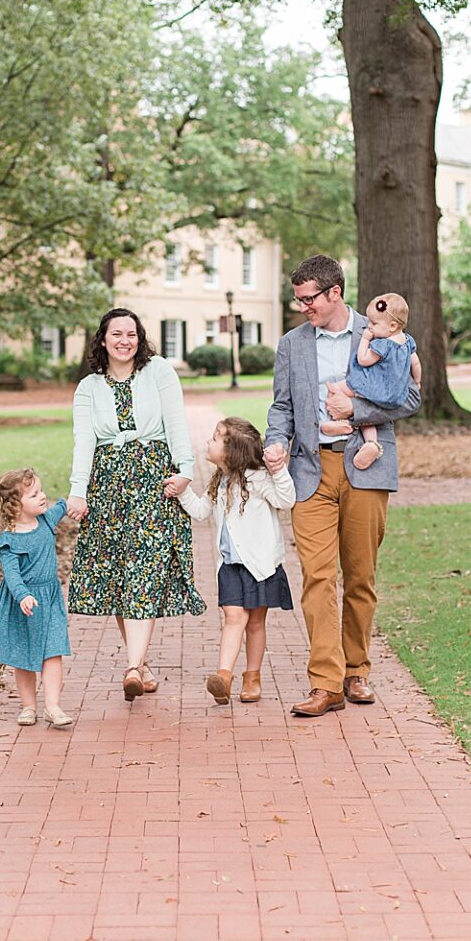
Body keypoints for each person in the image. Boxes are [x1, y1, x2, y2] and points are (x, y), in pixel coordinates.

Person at [264, 255, 420, 717]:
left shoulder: (382, 333)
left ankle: (357, 672)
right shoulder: (292, 344)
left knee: (360, 577)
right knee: (316, 577)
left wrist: (357, 413)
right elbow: (281, 406)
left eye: (309, 298)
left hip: (366, 470)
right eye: (298, 299)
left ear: (336, 293)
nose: (302, 307)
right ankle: (325, 683)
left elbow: (411, 397)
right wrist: (275, 443)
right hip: (309, 472)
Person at [66, 308, 205, 702]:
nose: (124, 340)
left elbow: (176, 421)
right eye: (116, 334)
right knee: (119, 576)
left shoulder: (159, 371)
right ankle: (140, 665)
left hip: (153, 480)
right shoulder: (88, 388)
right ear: (103, 339)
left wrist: (186, 470)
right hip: (108, 484)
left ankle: (131, 666)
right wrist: (79, 490)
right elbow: (84, 443)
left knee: (145, 570)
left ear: (140, 338)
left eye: (131, 334)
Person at [178, 417, 296, 706]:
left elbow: (286, 499)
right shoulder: (218, 481)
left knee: (255, 623)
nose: (209, 441)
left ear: (232, 451)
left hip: (260, 564)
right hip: (230, 566)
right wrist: (181, 490)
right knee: (234, 617)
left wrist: (279, 470)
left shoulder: (258, 479)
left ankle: (252, 677)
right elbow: (201, 511)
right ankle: (224, 676)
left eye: (216, 438)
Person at [0, 468, 73, 728]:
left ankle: (52, 706)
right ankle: (28, 706)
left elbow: (64, 506)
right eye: (34, 494)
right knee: (25, 655)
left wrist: (75, 499)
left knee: (53, 652)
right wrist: (23, 596)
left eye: (41, 491)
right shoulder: (9, 542)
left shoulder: (45, 521)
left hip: (50, 599)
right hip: (24, 604)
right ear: (16, 505)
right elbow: (12, 576)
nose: (43, 497)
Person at [321, 292, 422, 470]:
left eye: (374, 323)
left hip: (372, 388)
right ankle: (371, 445)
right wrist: (418, 382)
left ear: (392, 326)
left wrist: (366, 340)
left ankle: (342, 423)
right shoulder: (407, 342)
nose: (369, 326)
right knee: (370, 418)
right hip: (395, 394)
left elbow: (363, 359)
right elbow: (416, 363)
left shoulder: (382, 344)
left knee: (336, 388)